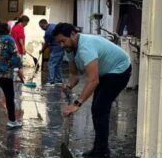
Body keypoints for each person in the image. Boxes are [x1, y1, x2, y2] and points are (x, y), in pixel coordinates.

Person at [52, 23, 132, 158]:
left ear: (73, 34)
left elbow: (93, 80)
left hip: (120, 69)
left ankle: (102, 152)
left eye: (63, 41)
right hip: (105, 72)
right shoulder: (70, 48)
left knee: (100, 108)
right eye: (59, 42)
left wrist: (76, 104)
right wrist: (68, 86)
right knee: (96, 109)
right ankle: (99, 148)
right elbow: (74, 75)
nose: (61, 45)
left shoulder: (85, 47)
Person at [39, 19, 64, 87]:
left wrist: (42, 50)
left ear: (43, 25)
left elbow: (47, 43)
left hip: (56, 49)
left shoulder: (48, 32)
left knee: (51, 64)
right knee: (58, 65)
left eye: (41, 27)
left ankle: (51, 81)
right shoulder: (53, 25)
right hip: (62, 48)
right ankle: (59, 80)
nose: (42, 29)